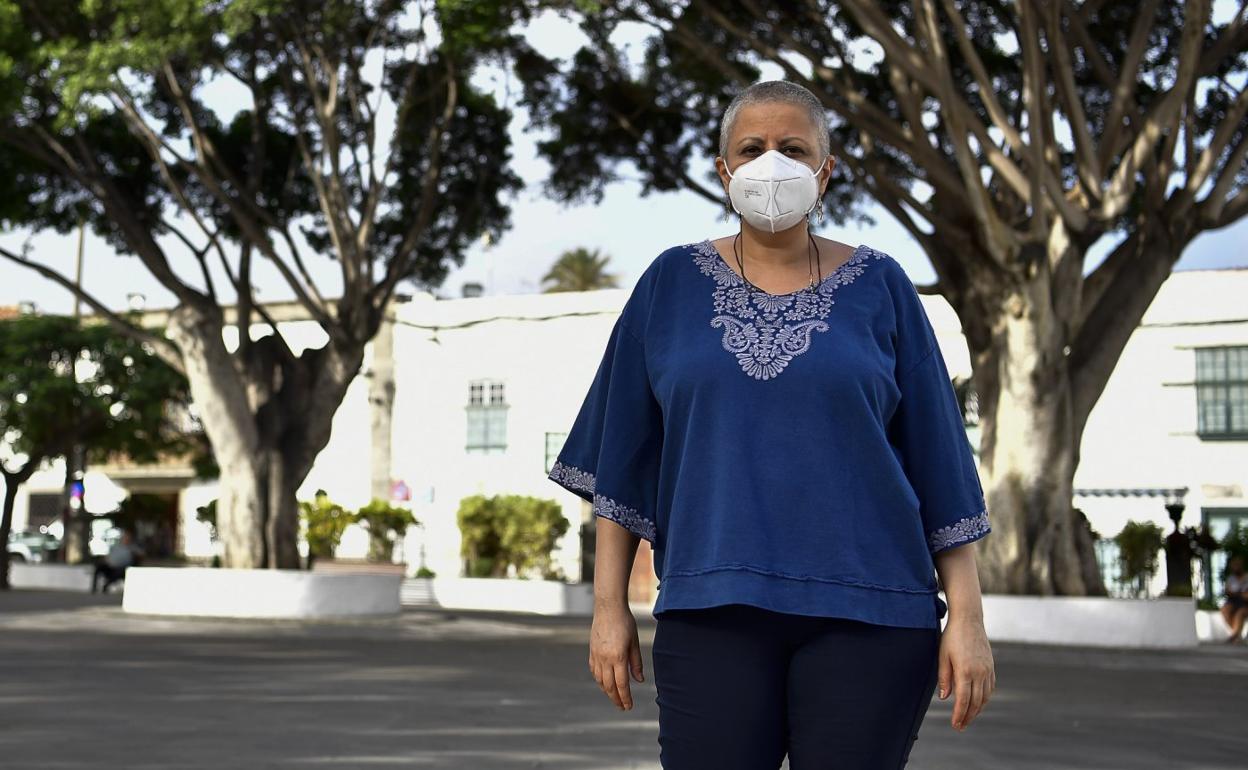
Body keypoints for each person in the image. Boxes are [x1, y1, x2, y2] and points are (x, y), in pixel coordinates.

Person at [547, 79, 996, 768]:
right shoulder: (669, 285)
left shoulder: (884, 287)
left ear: (826, 169)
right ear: (724, 170)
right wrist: (609, 609)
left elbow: (939, 462)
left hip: (874, 615)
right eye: (751, 148)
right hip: (710, 607)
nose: (771, 164)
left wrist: (967, 617)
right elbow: (623, 458)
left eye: (792, 147)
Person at [1220, 555, 1248, 643]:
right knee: (1225, 610)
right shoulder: (1231, 578)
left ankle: (1234, 635)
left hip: (1245, 603)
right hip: (1233, 601)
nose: (1235, 568)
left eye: (1237, 566)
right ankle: (1236, 634)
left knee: (1239, 614)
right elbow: (1227, 590)